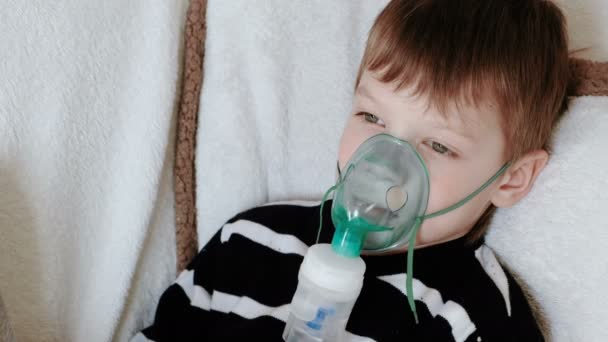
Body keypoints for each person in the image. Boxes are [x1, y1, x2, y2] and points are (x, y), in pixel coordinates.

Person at [133, 0, 569, 340]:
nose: (386, 163)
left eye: (438, 145)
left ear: (511, 178)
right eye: (372, 119)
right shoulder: (250, 244)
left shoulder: (472, 316)